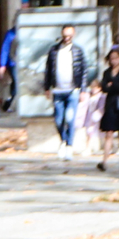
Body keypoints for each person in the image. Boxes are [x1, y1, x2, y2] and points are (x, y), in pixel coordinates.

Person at [44, 25, 88, 155]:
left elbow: (84, 71)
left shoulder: (78, 50)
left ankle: (69, 145)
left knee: (70, 118)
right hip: (57, 90)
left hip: (72, 90)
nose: (67, 38)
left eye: (69, 35)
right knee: (58, 119)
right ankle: (63, 140)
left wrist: (83, 90)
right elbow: (48, 70)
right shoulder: (54, 50)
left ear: (73, 35)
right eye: (65, 35)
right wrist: (47, 87)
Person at [97, 47, 119, 172]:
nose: (114, 61)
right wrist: (109, 86)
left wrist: (111, 85)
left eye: (116, 58)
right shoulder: (107, 72)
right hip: (110, 104)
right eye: (111, 58)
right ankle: (104, 161)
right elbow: (104, 87)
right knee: (109, 132)